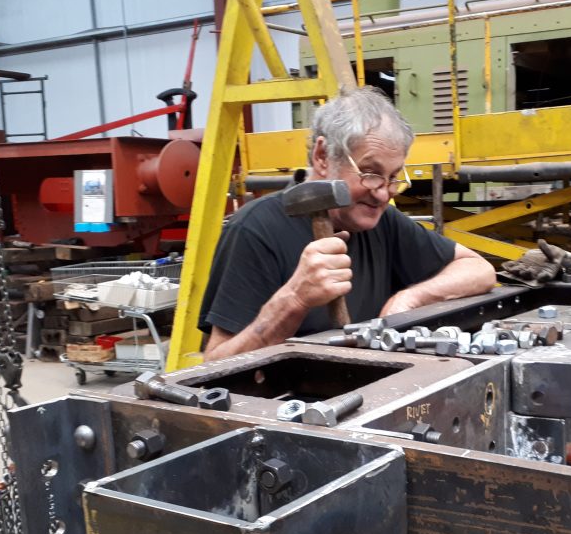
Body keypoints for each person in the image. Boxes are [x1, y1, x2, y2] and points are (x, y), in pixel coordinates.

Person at [199, 86, 495, 360]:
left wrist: (411, 297)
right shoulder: (255, 230)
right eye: (370, 172)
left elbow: (479, 270)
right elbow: (214, 364)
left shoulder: (383, 222)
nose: (382, 193)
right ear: (322, 156)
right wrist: (293, 300)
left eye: (393, 177)